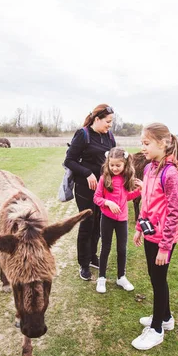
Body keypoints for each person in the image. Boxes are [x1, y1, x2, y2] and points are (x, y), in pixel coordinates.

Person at [131, 122, 178, 351]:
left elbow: (173, 213)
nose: (142, 147)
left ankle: (156, 329)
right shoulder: (149, 169)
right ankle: (166, 317)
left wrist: (165, 246)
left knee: (158, 280)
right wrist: (139, 227)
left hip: (163, 239)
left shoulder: (171, 174)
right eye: (141, 143)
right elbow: (145, 201)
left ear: (163, 144)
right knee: (155, 277)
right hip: (150, 234)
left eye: (146, 143)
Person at [64, 104, 116, 281]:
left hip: (103, 189)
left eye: (111, 122)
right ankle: (83, 264)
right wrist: (87, 173)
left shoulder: (109, 136)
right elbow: (69, 160)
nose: (110, 125)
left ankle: (93, 256)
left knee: (99, 224)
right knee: (87, 224)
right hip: (85, 189)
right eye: (107, 121)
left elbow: (113, 158)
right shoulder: (83, 134)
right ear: (97, 119)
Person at [93, 147, 142, 293]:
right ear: (108, 163)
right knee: (105, 248)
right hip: (107, 218)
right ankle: (101, 278)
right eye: (112, 165)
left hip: (122, 220)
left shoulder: (127, 180)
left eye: (118, 165)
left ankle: (121, 277)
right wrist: (108, 203)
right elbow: (96, 198)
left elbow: (127, 197)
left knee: (122, 249)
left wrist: (140, 190)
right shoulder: (103, 179)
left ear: (125, 165)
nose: (114, 168)